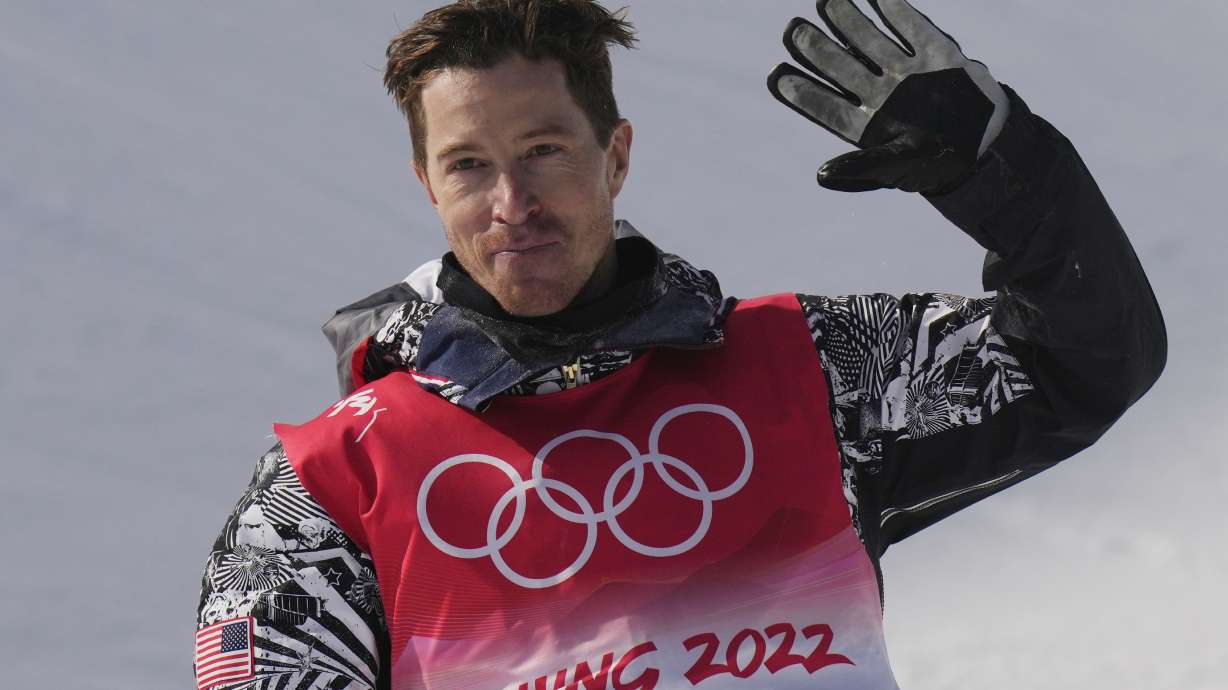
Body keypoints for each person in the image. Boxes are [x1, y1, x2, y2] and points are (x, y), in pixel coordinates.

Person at [192, 1, 1166, 688]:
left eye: (543, 152)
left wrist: (1005, 175)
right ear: (426, 184)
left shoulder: (811, 371)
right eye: (468, 165)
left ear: (615, 155)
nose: (511, 205)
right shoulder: (326, 487)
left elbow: (1085, 360)